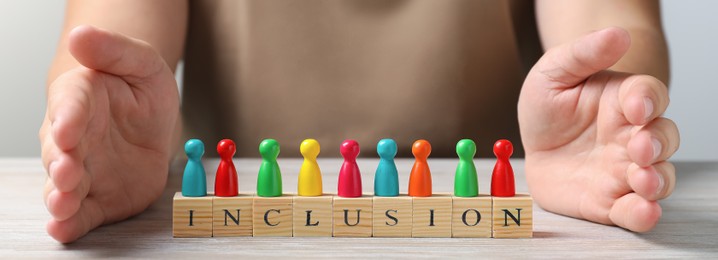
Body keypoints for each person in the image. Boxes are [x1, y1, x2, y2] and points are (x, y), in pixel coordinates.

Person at [40, 0, 679, 243]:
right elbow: (107, 33)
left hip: (494, 209)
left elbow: (612, 23)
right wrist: (99, 108)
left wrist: (608, 108)